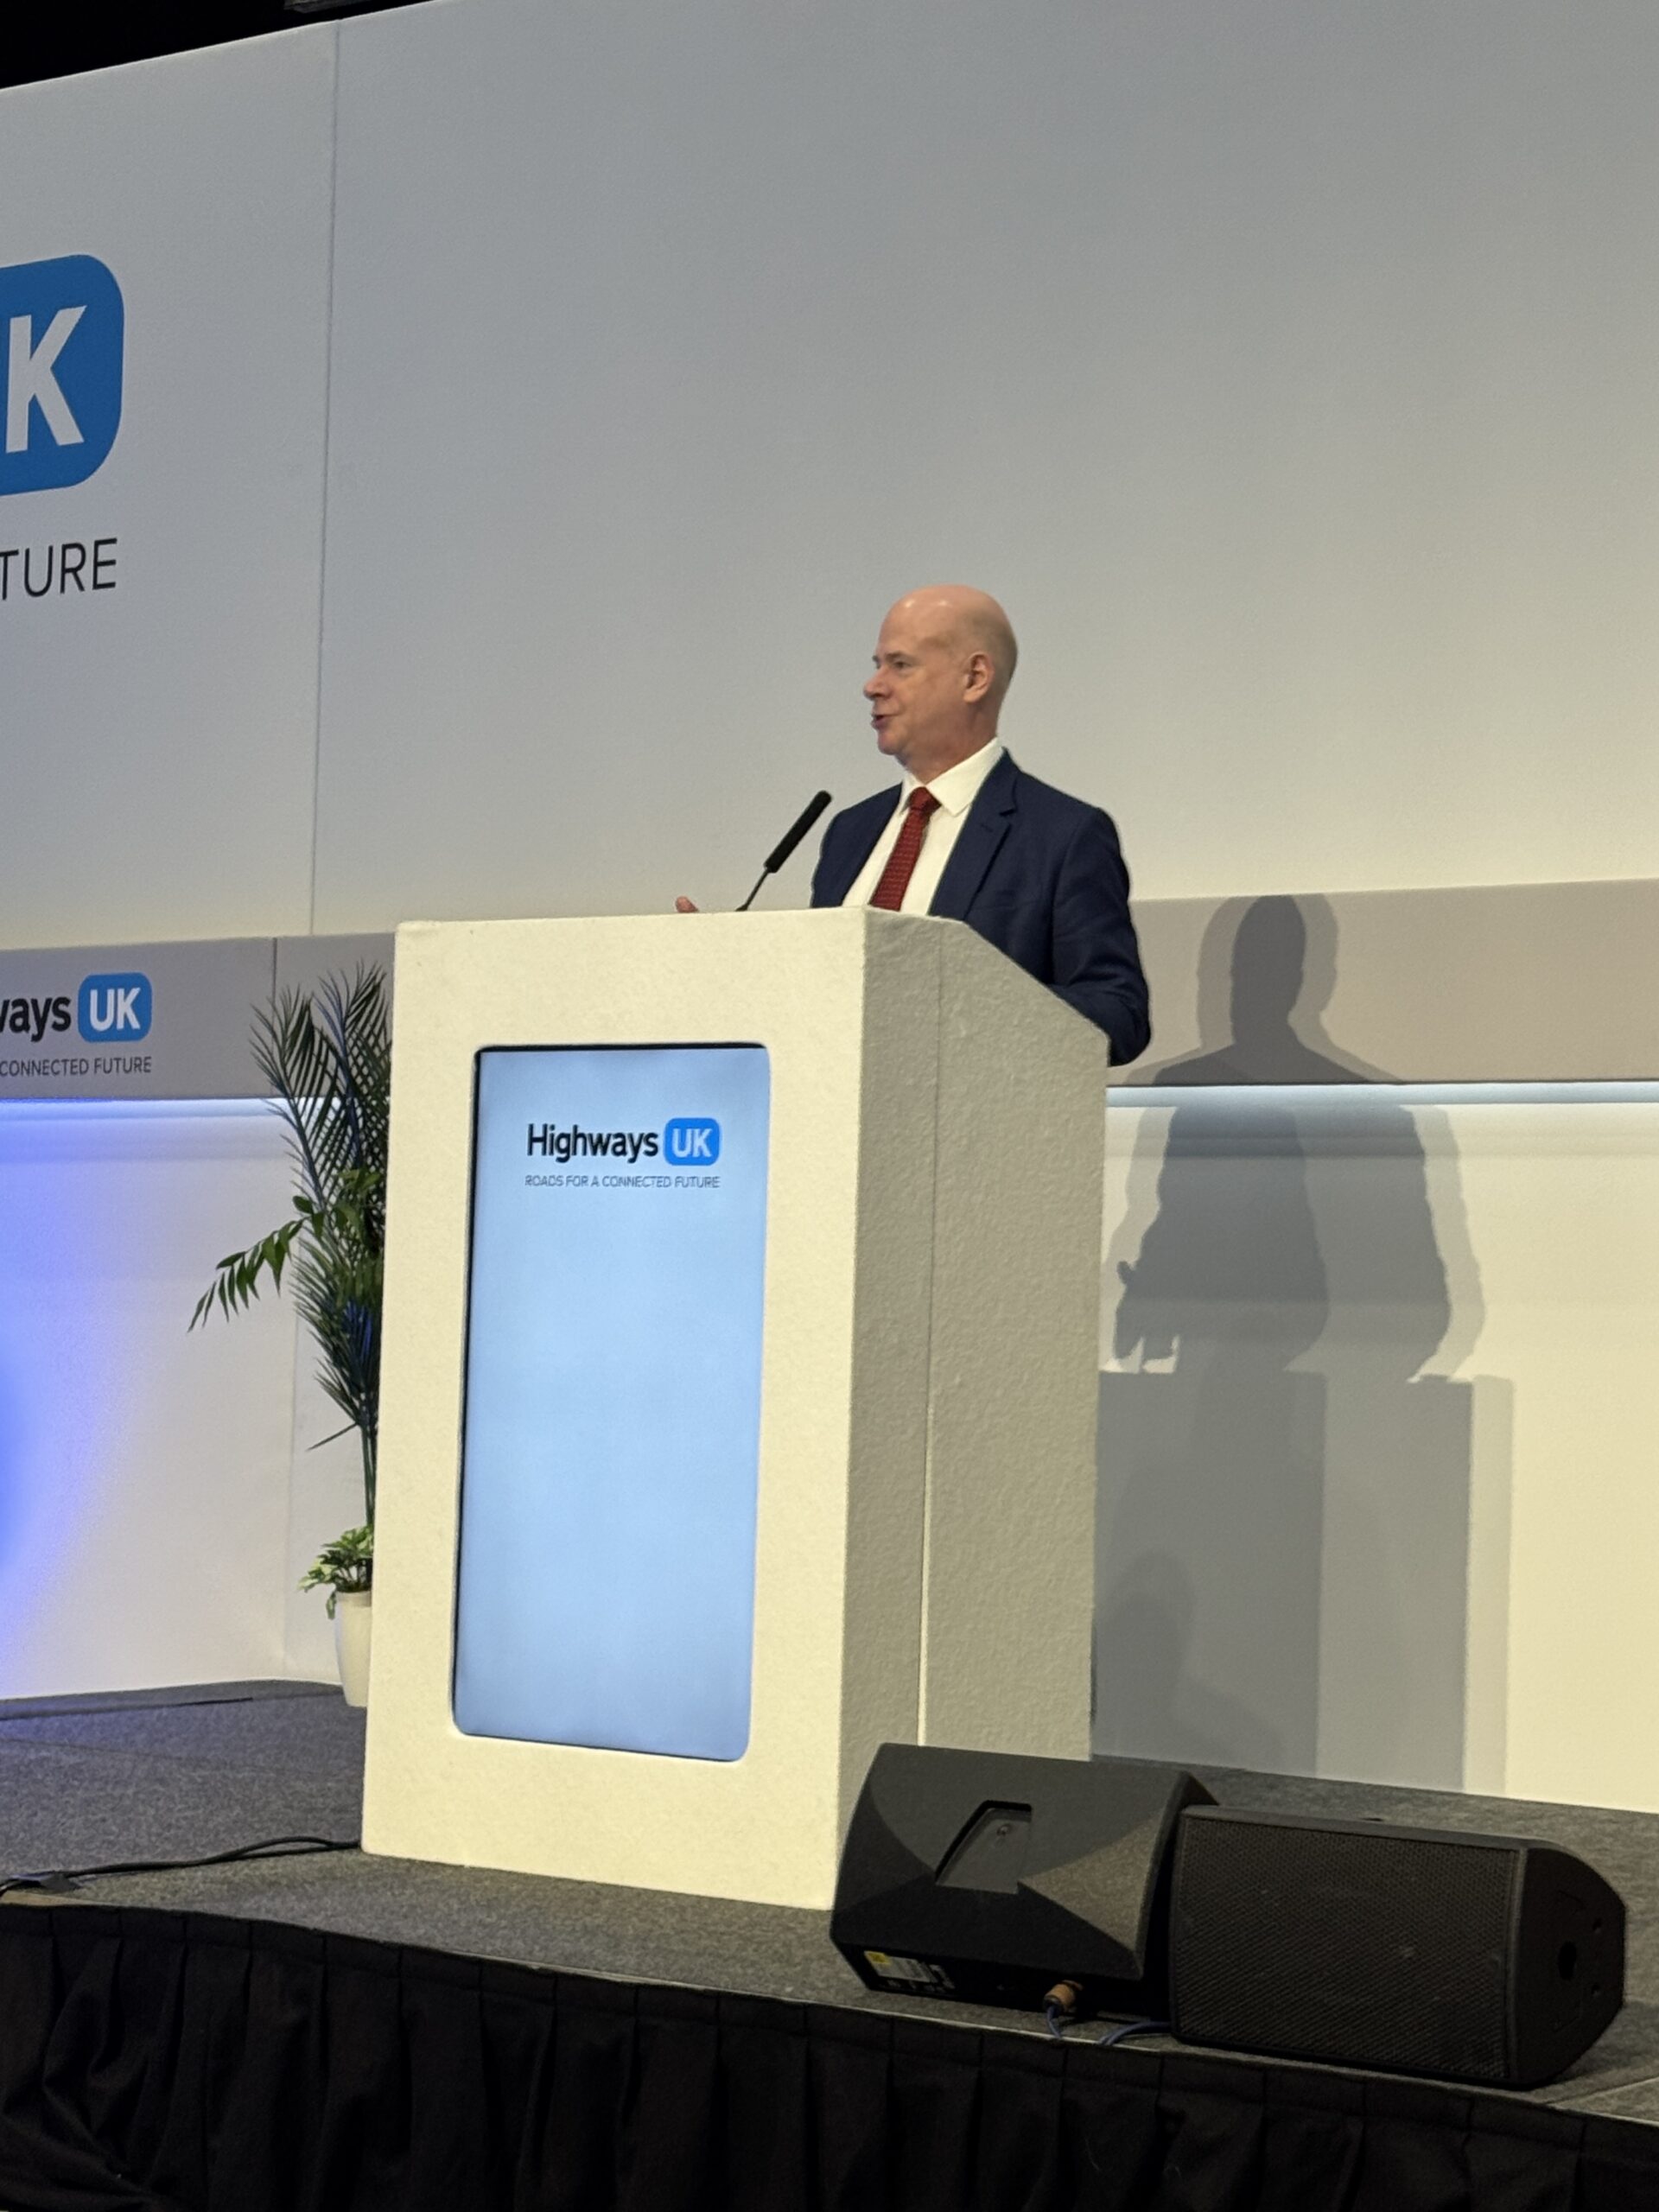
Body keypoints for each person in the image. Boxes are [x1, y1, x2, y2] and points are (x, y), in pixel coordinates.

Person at [678, 584, 1149, 1064]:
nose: (873, 686)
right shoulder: (849, 832)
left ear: (974, 678)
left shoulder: (1062, 835)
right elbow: (826, 1001)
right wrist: (735, 970)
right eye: (877, 664)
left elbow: (1118, 1014)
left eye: (900, 665)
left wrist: (963, 1003)